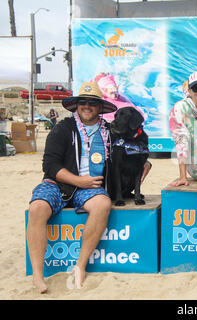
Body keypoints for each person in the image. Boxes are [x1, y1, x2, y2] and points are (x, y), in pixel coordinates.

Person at [26, 81, 151, 293]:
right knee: (37, 208)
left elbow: (132, 150)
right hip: (58, 184)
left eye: (92, 103)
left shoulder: (111, 132)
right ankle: (38, 276)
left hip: (91, 188)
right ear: (76, 105)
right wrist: (78, 181)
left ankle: (80, 266)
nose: (87, 106)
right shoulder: (63, 128)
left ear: (100, 107)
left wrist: (145, 162)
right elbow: (50, 165)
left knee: (103, 204)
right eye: (82, 102)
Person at [169, 71, 197, 186]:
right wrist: (183, 177)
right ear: (189, 91)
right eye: (196, 88)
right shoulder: (180, 108)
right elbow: (181, 141)